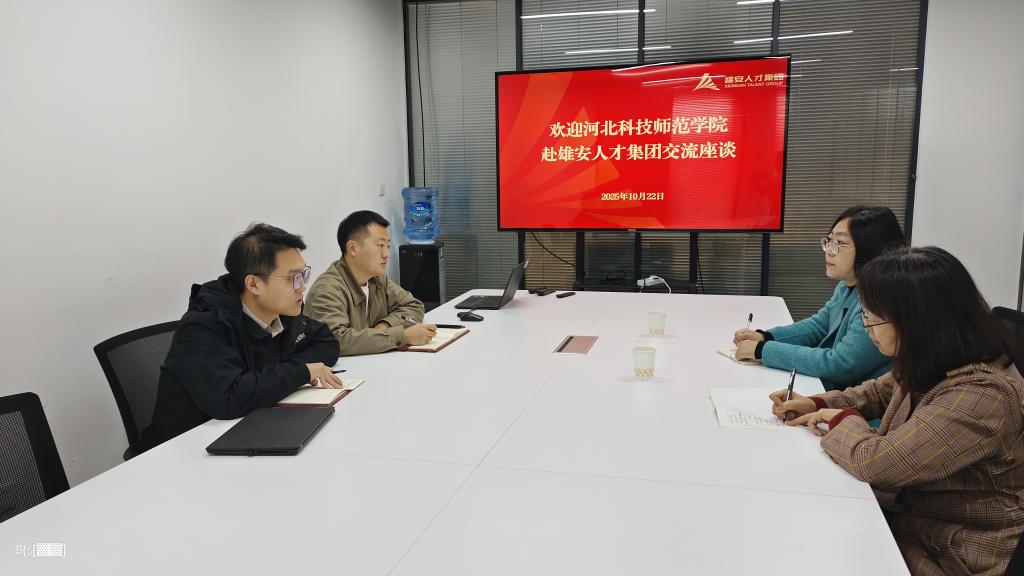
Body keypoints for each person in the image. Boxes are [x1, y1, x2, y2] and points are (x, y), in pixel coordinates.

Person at [771, 246, 1023, 576]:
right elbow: (880, 391)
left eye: (874, 317)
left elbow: (877, 464)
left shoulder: (982, 394)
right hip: (911, 522)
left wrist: (843, 420)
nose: (868, 327)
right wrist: (819, 403)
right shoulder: (936, 355)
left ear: (918, 321)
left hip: (951, 553)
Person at [144, 223, 342, 449]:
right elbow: (228, 398)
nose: (302, 287)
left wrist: (286, 373)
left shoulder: (281, 312)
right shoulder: (202, 327)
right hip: (186, 449)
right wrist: (300, 372)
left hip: (252, 430)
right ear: (253, 284)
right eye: (293, 278)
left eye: (303, 275)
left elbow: (326, 342)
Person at [734, 205, 905, 390]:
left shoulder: (881, 300)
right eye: (829, 241)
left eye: (839, 243)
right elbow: (820, 326)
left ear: (870, 247)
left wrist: (763, 350)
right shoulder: (849, 283)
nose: (829, 250)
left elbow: (840, 364)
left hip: (860, 401)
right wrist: (767, 336)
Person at [305, 210, 435, 356]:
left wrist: (384, 326)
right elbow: (336, 341)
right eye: (380, 245)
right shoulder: (327, 290)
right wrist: (402, 336)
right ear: (352, 248)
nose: (386, 254)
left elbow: (414, 306)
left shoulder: (378, 279)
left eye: (388, 246)